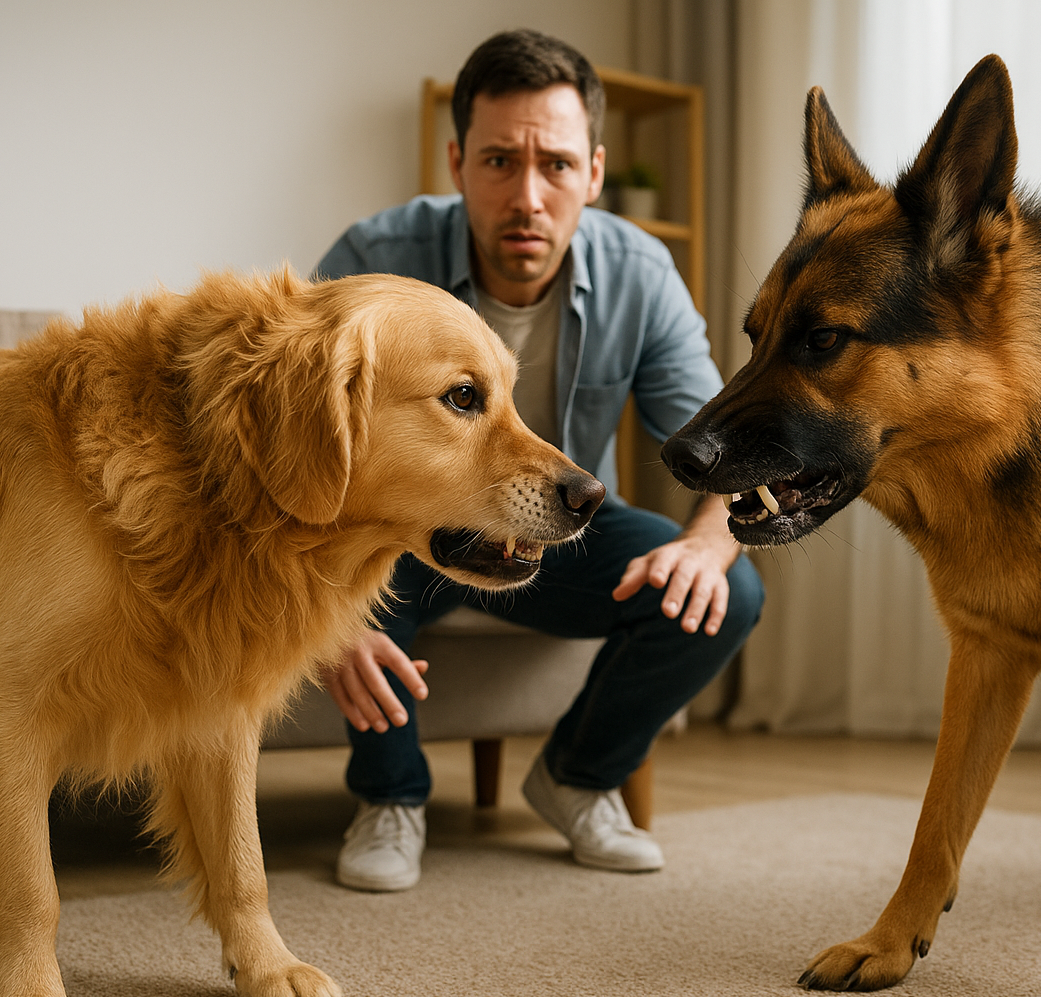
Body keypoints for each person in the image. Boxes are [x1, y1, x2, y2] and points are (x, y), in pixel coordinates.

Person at [314, 29, 764, 892]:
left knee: (730, 588)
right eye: (497, 161)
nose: (527, 195)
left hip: (550, 530)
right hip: (397, 531)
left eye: (555, 165)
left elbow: (724, 457)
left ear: (594, 173)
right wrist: (329, 616)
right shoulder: (376, 262)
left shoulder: (643, 274)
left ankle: (576, 778)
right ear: (455, 162)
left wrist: (708, 544)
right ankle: (390, 797)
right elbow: (299, 446)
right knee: (361, 562)